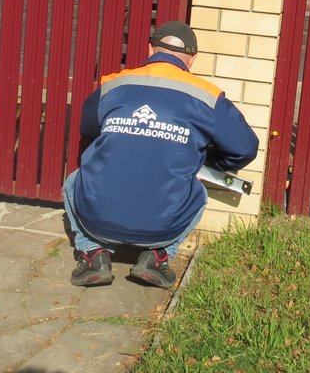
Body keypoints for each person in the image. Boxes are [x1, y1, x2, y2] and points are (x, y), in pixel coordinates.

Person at [63, 20, 259, 288]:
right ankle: (157, 256)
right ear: (192, 59)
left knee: (73, 180)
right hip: (163, 228)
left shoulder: (114, 84)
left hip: (97, 221)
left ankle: (93, 253)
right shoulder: (207, 96)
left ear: (150, 49)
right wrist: (209, 160)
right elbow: (246, 147)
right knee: (199, 192)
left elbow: (87, 128)